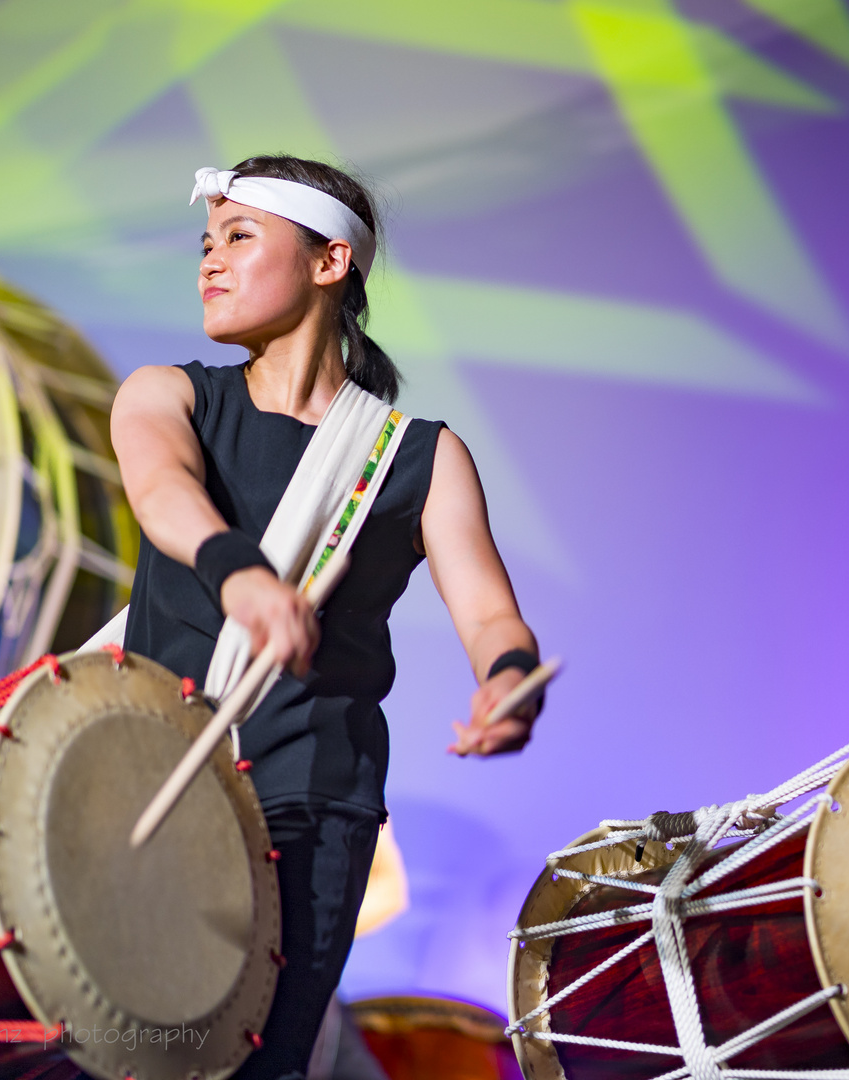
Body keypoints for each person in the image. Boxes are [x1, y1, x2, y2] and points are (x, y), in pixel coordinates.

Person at [109, 155, 542, 1079]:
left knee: (259, 1065)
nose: (210, 262)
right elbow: (161, 488)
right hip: (150, 767)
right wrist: (238, 574)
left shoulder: (418, 457)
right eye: (205, 242)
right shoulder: (168, 395)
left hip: (314, 798)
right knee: (123, 1051)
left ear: (330, 262)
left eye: (239, 237)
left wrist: (509, 684)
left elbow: (491, 614)